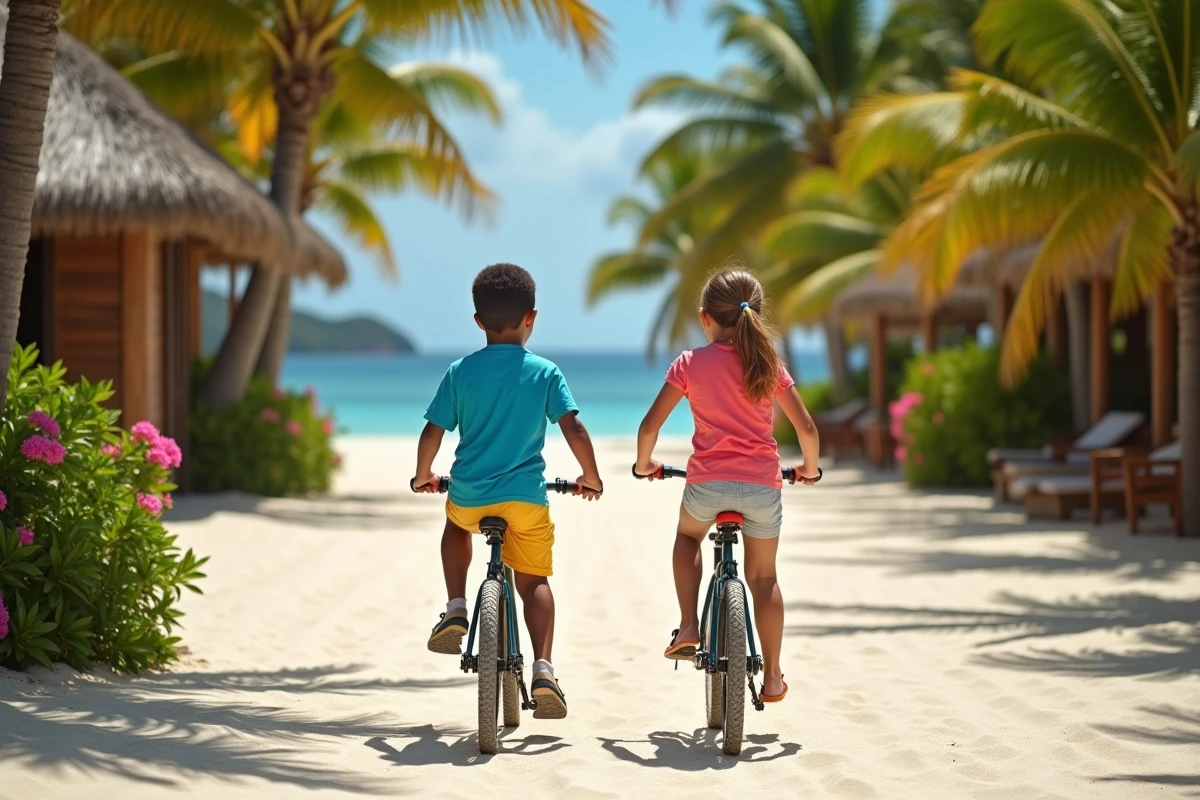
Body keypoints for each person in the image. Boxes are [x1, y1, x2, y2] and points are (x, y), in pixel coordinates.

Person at [412, 263, 603, 719]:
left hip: (470, 495)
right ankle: (544, 669)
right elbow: (573, 429)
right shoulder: (545, 372)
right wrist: (590, 476)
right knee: (533, 581)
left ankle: (457, 606)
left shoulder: (460, 371)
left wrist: (424, 474)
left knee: (455, 526)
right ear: (531, 317)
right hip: (525, 500)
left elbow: (432, 432)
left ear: (477, 320)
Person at [634, 267, 820, 704]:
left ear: (705, 318)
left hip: (706, 486)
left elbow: (648, 427)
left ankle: (688, 625)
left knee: (686, 538)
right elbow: (807, 429)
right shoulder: (769, 364)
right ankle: (773, 676)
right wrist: (808, 469)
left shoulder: (689, 364)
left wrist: (646, 465)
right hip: (761, 489)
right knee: (764, 577)